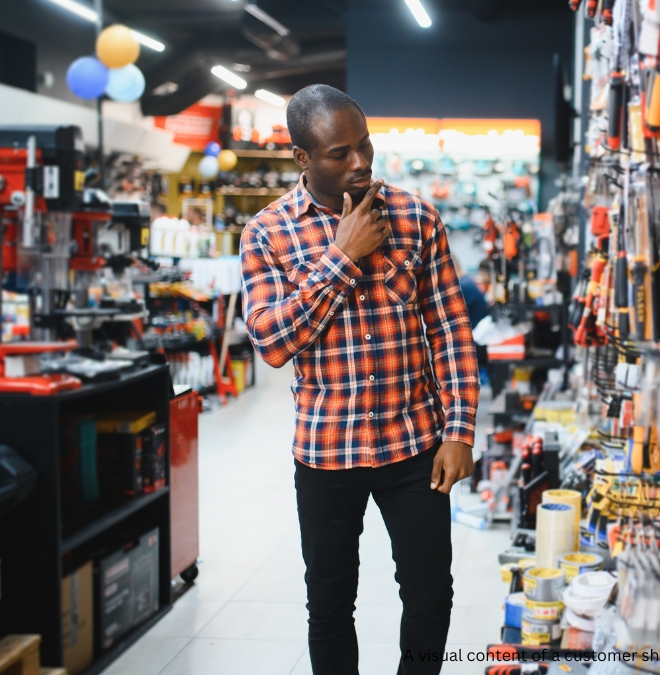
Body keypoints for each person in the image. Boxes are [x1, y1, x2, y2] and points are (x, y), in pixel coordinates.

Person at [239, 84, 479, 675]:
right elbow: (272, 342)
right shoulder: (266, 234)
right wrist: (343, 258)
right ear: (302, 158)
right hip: (326, 451)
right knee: (329, 602)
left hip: (415, 445)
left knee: (430, 594)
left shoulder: (417, 217)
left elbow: (450, 330)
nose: (360, 162)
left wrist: (461, 431)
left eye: (365, 145)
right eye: (340, 153)